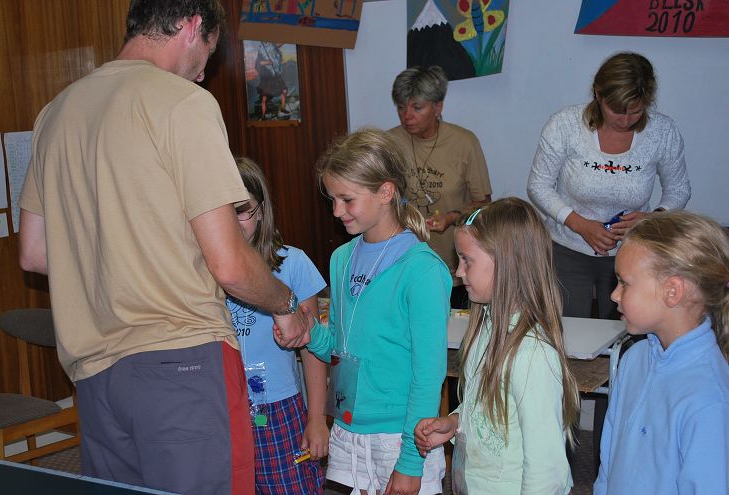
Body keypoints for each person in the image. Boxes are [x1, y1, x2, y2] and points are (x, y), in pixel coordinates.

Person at [18, 1, 310, 494]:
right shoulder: (183, 102)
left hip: (94, 374)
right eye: (207, 55)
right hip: (183, 363)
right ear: (193, 25)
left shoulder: (56, 111)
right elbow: (230, 263)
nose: (202, 74)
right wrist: (286, 305)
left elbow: (34, 252)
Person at [307, 128, 452, 495]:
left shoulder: (422, 270)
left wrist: (410, 462)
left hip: (401, 436)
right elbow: (338, 346)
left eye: (347, 199)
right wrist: (306, 332)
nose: (336, 211)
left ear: (386, 192)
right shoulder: (341, 258)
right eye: (332, 200)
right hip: (348, 430)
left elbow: (428, 376)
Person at [414, 197, 580, 494]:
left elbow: (547, 470)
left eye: (467, 260)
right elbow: (487, 409)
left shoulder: (532, 354)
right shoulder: (485, 328)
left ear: (507, 264)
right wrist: (455, 422)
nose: (458, 272)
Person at [527, 51, 691, 319]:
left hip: (634, 251)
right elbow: (538, 185)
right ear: (598, 94)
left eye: (636, 111)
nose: (625, 121)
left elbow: (679, 189)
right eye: (616, 110)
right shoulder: (565, 124)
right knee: (568, 328)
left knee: (626, 329)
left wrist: (653, 219)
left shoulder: (663, 132)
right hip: (567, 249)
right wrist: (579, 224)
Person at [593, 210, 729, 495]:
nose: (614, 295)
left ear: (672, 291)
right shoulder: (634, 359)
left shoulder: (709, 398)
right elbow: (609, 457)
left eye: (625, 283)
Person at [226, 157, 328, 494]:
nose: (231, 222)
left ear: (261, 210)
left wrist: (316, 419)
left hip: (277, 409)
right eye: (221, 212)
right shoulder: (200, 274)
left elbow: (313, 350)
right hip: (218, 408)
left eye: (241, 210)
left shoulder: (293, 264)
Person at [389, 65, 492, 309]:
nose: (406, 116)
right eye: (401, 107)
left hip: (454, 265)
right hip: (405, 261)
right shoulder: (389, 143)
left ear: (437, 108)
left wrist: (452, 217)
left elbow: (484, 205)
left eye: (417, 107)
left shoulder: (464, 143)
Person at [256, 41, 289, 119]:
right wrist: (267, 62)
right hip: (267, 77)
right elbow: (258, 63)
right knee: (264, 98)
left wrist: (286, 39)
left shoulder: (273, 47)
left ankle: (283, 109)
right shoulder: (261, 50)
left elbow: (277, 45)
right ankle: (263, 115)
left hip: (276, 75)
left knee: (284, 91)